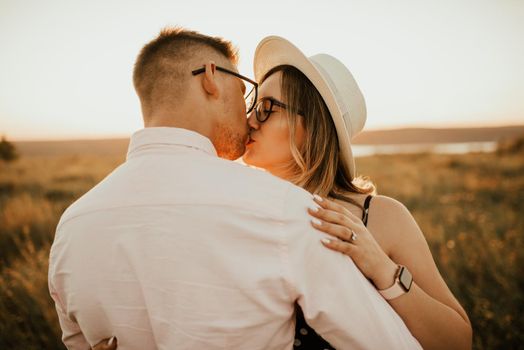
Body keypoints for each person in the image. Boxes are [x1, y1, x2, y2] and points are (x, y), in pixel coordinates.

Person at [49, 28, 422, 350]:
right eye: (247, 93)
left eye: (265, 106)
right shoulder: (286, 212)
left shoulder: (71, 227)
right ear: (211, 77)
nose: (249, 117)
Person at [242, 36, 472, 349]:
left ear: (312, 126)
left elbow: (457, 341)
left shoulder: (383, 218)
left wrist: (381, 267)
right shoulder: (242, 208)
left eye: (266, 108)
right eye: (253, 105)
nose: (250, 120)